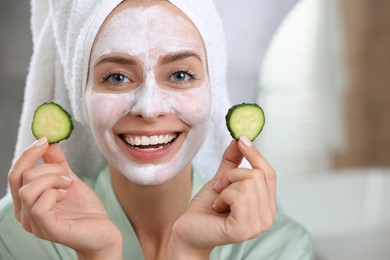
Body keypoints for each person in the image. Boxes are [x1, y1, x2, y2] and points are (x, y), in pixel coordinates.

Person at [0, 0, 314, 259]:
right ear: (78, 95)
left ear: (213, 91)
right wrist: (98, 254)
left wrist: (190, 252)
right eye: (117, 77)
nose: (149, 109)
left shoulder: (280, 247)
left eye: (179, 74)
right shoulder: (16, 235)